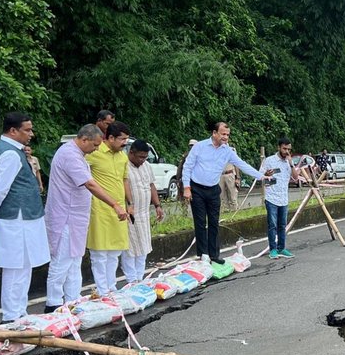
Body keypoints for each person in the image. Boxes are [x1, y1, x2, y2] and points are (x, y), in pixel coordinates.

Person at [0, 112, 50, 323]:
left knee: (24, 264)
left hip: (21, 215)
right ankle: (11, 315)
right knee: (15, 266)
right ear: (13, 131)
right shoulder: (10, 153)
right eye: (27, 130)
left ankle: (19, 311)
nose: (31, 134)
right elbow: (0, 187)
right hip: (17, 215)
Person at [43, 125, 127, 310]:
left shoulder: (79, 155)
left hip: (76, 218)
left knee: (74, 262)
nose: (97, 149)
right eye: (95, 145)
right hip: (65, 217)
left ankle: (72, 300)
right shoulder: (70, 155)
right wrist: (114, 204)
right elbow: (90, 184)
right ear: (84, 140)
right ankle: (53, 303)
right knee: (61, 262)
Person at [182, 121, 271, 265]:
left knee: (214, 222)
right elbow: (187, 166)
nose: (225, 137)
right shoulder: (200, 147)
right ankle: (203, 254)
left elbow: (242, 164)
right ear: (214, 133)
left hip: (213, 189)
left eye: (228, 135)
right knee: (200, 222)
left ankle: (214, 255)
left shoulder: (227, 151)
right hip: (197, 188)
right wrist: (187, 187)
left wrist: (261, 176)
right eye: (223, 134)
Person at [87, 121, 133, 295]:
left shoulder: (123, 156)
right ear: (111, 138)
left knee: (115, 252)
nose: (125, 143)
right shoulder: (94, 152)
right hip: (99, 209)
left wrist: (130, 203)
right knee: (99, 253)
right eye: (122, 139)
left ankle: (111, 287)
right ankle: (101, 289)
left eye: (127, 139)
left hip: (119, 209)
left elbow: (124, 180)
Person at [123, 139, 164, 282]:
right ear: (131, 153)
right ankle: (131, 279)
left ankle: (140, 277)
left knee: (144, 245)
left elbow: (151, 185)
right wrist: (129, 204)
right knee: (130, 248)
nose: (142, 160)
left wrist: (157, 205)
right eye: (140, 157)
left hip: (144, 212)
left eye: (145, 157)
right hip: (130, 212)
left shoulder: (146, 165)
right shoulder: (124, 166)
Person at [260, 137, 302, 260]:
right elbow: (259, 176)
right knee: (272, 225)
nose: (287, 151)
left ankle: (281, 247)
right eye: (284, 149)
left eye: (289, 149)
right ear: (279, 147)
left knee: (282, 225)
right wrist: (266, 175)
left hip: (284, 198)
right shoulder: (269, 160)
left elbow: (295, 178)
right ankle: (273, 249)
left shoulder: (289, 162)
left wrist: (291, 163)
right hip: (271, 197)